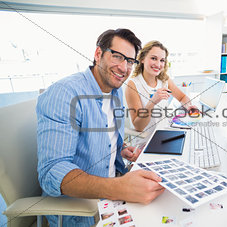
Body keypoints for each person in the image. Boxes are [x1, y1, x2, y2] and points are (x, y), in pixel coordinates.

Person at [36, 29, 165, 227]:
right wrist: (119, 188)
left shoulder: (115, 91)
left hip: (114, 191)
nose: (124, 67)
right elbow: (52, 171)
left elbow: (101, 140)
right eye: (117, 56)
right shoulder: (65, 93)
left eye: (130, 61)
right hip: (83, 210)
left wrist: (120, 150)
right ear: (98, 54)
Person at [125, 40, 198, 135]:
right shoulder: (133, 85)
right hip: (147, 141)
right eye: (154, 58)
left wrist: (188, 107)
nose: (158, 64)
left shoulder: (164, 80)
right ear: (142, 59)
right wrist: (152, 102)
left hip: (166, 133)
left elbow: (182, 97)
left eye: (162, 60)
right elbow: (139, 126)